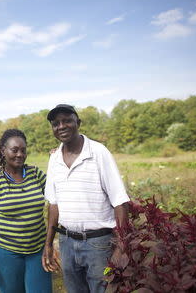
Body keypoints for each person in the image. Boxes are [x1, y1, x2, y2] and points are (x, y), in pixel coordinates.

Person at [41, 104, 130, 293]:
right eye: (56, 123)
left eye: (67, 120)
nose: (61, 126)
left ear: (78, 123)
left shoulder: (98, 152)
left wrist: (121, 247)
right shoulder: (54, 159)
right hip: (66, 243)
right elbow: (53, 205)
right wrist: (48, 244)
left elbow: (120, 202)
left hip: (98, 244)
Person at [0, 129, 53, 293]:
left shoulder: (35, 174)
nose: (20, 154)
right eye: (14, 150)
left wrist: (57, 161)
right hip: (5, 252)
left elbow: (56, 192)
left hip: (37, 250)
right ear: (3, 151)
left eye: (23, 150)